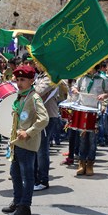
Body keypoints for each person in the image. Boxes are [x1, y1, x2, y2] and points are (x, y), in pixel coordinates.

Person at [2, 65, 48, 215]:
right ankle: (17, 201)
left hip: (27, 143)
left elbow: (44, 119)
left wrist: (27, 132)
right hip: (17, 142)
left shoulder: (34, 98)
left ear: (31, 81)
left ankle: (25, 206)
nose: (19, 83)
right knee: (14, 173)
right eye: (18, 80)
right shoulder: (20, 96)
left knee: (27, 175)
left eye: (23, 80)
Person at [71, 64, 108, 176]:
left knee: (92, 140)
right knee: (82, 139)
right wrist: (74, 89)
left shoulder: (103, 80)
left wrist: (104, 96)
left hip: (94, 113)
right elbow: (74, 87)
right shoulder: (82, 78)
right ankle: (81, 163)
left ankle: (90, 164)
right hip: (83, 111)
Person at [33, 62, 59, 191]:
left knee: (42, 149)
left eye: (38, 61)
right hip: (40, 116)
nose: (36, 64)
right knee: (37, 147)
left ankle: (43, 180)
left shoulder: (50, 76)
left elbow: (38, 91)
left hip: (48, 115)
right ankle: (36, 178)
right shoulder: (40, 76)